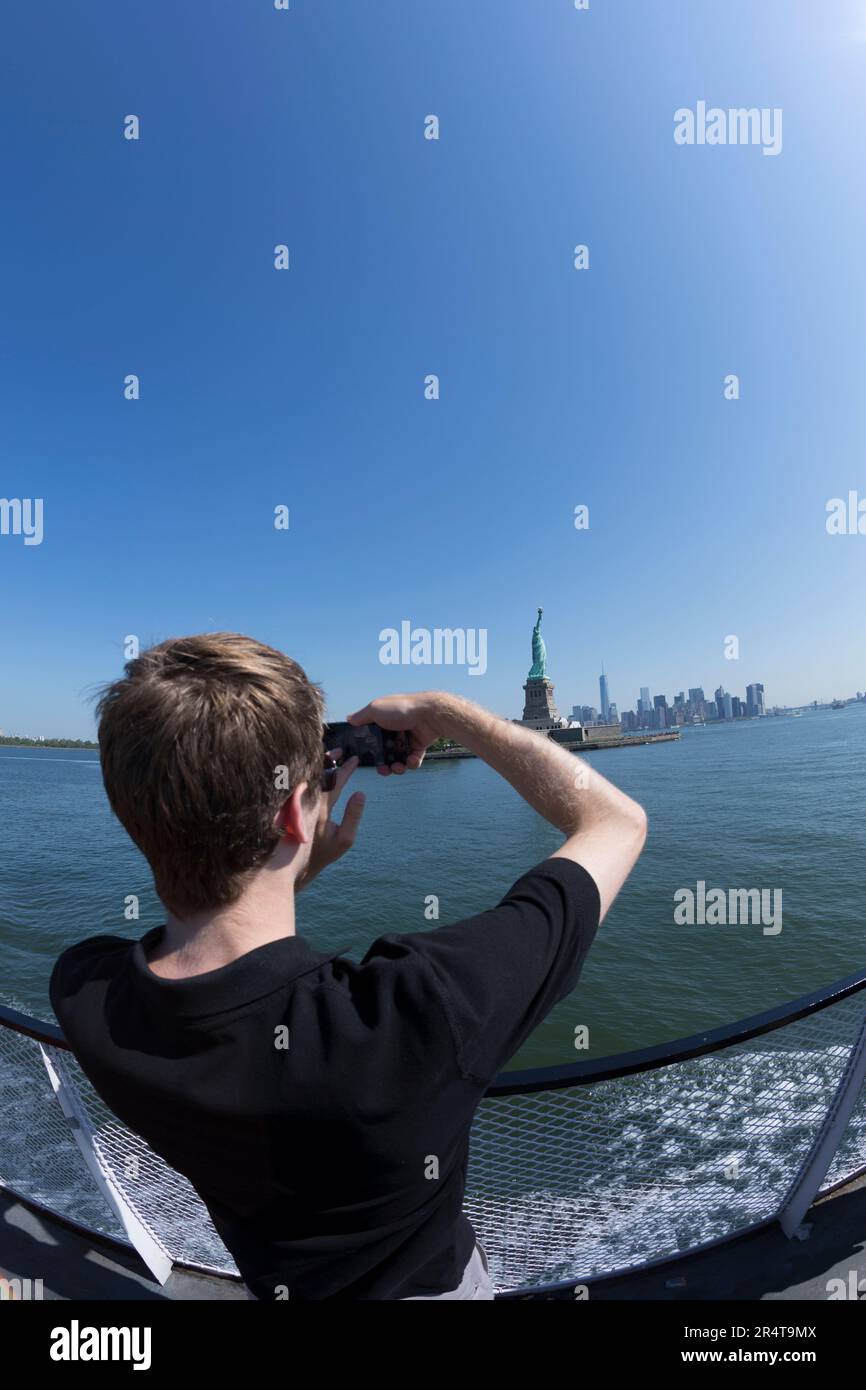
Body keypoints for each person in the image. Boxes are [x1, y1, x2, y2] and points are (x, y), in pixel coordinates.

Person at [49, 633, 647, 1300]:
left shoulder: (88, 993)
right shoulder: (417, 1012)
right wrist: (449, 714)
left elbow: (219, 967)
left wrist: (286, 865)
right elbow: (617, 823)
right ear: (294, 817)